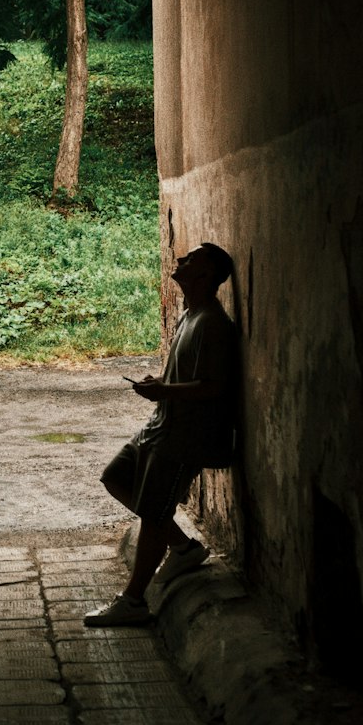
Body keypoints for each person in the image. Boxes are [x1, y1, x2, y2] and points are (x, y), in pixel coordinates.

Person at [84, 242, 239, 627]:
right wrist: (163, 384)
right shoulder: (191, 315)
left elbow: (213, 387)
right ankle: (182, 547)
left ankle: (134, 600)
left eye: (191, 259)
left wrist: (164, 391)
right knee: (116, 477)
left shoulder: (213, 324)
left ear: (204, 275)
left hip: (184, 436)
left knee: (154, 512)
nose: (181, 260)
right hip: (160, 426)